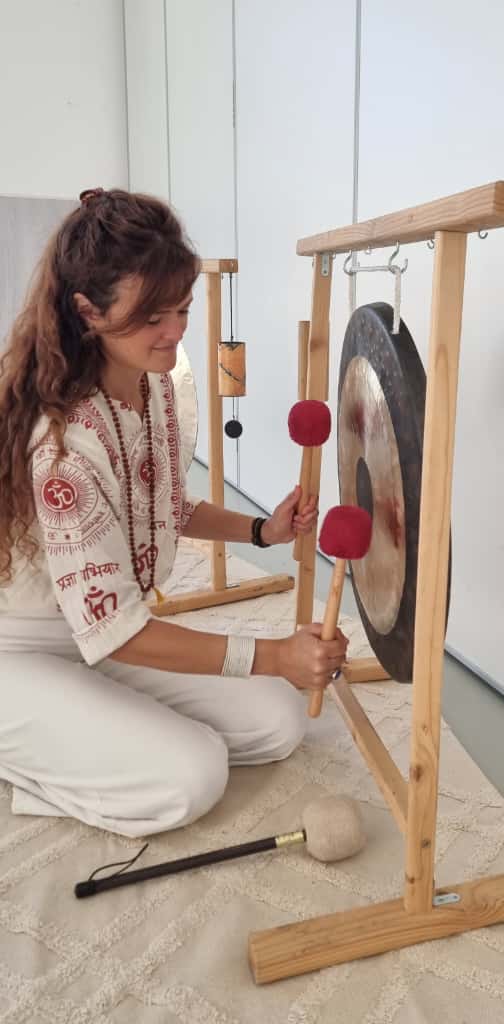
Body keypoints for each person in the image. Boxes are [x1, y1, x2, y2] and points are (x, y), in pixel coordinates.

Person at [0, 188, 348, 839]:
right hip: (23, 649)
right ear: (88, 311)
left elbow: (163, 506)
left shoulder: (155, 384)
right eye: (152, 316)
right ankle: (30, 750)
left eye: (182, 309)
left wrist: (262, 531)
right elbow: (120, 631)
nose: (175, 331)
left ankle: (92, 729)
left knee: (279, 721)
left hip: (103, 634)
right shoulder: (62, 448)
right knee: (192, 774)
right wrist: (274, 654)